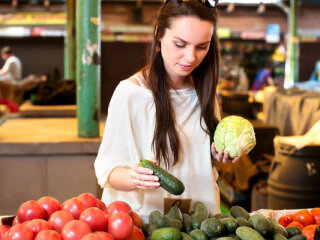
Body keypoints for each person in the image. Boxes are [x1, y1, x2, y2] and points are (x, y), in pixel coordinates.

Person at [94, 0, 239, 216]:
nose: (191, 57)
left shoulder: (205, 91)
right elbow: (107, 170)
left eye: (202, 46)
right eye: (180, 44)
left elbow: (201, 158)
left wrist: (219, 153)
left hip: (200, 220)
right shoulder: (131, 94)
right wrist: (134, 177)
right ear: (158, 35)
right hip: (146, 223)